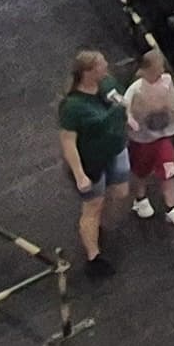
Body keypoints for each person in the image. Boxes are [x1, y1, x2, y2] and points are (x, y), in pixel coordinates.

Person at [58, 50, 130, 276]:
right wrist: (80, 174)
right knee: (93, 206)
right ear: (88, 72)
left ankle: (100, 225)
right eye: (101, 64)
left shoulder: (107, 83)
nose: (106, 66)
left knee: (121, 191)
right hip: (92, 162)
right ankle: (93, 256)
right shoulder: (72, 106)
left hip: (115, 150)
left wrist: (129, 119)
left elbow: (120, 102)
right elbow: (68, 141)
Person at [121, 45, 174, 229]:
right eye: (157, 69)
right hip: (142, 139)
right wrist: (130, 119)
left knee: (168, 170)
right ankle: (140, 199)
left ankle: (171, 208)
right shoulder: (136, 88)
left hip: (162, 135)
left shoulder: (166, 82)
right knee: (141, 171)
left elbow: (173, 104)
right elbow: (125, 105)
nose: (160, 72)